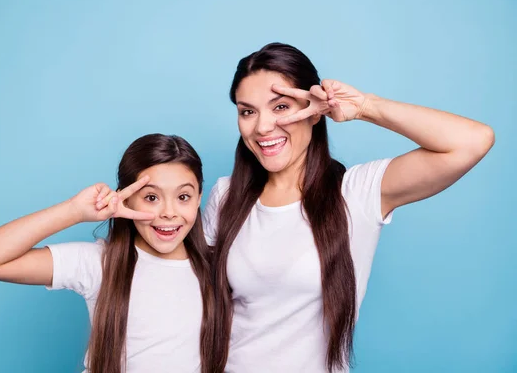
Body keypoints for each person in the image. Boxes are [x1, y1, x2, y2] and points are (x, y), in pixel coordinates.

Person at [203, 43, 495, 373]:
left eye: (281, 106)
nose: (262, 127)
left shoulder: (356, 193)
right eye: (248, 111)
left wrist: (365, 106)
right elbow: (200, 303)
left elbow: (472, 141)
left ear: (314, 111)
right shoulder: (226, 195)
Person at [0, 134, 215, 373]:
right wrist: (74, 211)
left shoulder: (218, 266)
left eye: (183, 196)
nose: (169, 212)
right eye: (151, 197)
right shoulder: (99, 263)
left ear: (198, 197)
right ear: (125, 200)